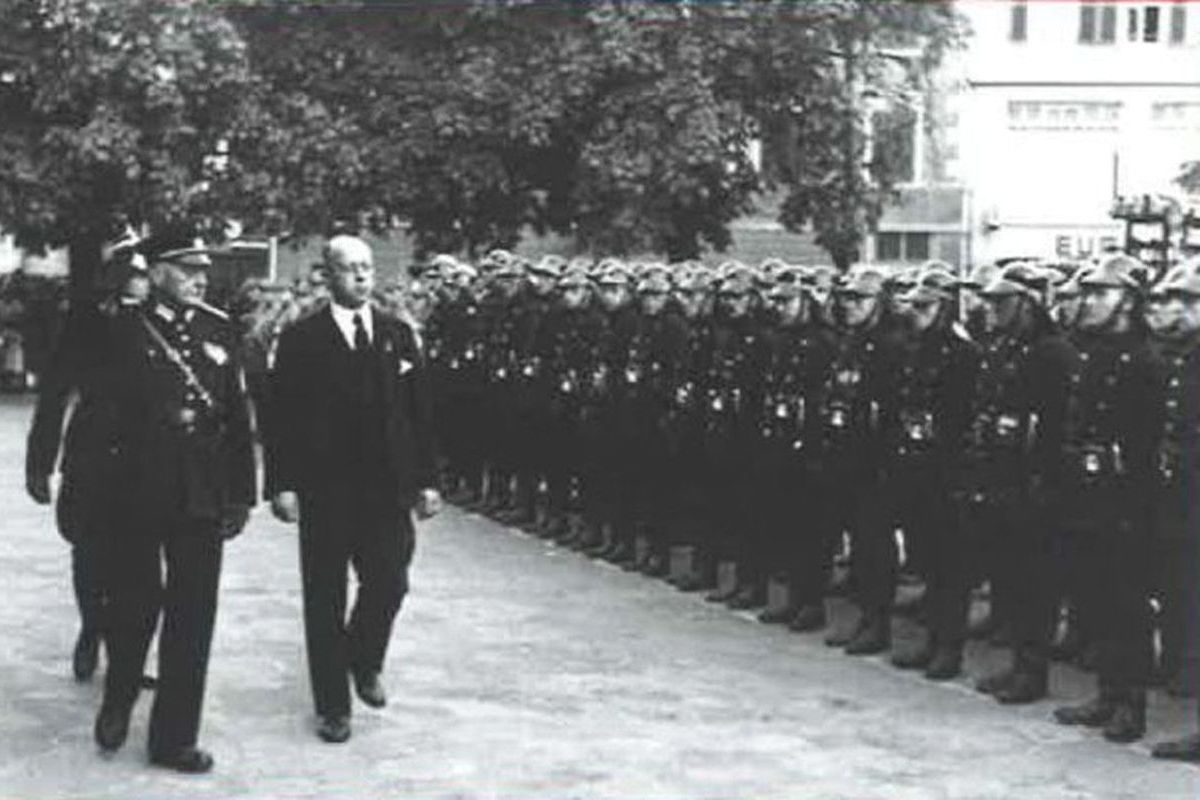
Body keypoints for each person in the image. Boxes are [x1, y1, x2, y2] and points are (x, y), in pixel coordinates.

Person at [266, 234, 442, 744]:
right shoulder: (301, 339)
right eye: (349, 268)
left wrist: (428, 479)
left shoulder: (396, 334)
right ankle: (333, 707)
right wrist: (282, 485)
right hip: (326, 489)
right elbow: (280, 419)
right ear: (328, 276)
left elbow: (420, 412)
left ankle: (364, 658)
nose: (362, 276)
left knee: (390, 581)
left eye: (367, 267)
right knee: (324, 596)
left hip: (386, 488)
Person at [93, 232, 256, 773]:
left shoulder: (218, 328)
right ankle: (119, 697)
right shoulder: (123, 329)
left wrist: (241, 494)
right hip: (136, 488)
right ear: (157, 271)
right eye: (187, 269)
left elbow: (236, 414)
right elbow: (100, 417)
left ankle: (174, 737)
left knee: (193, 614)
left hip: (201, 491)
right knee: (132, 603)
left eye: (204, 270)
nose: (200, 279)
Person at [25, 247, 146, 682]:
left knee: (140, 560)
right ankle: (92, 626)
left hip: (147, 453)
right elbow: (55, 391)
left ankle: (126, 655)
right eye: (134, 274)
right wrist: (39, 463)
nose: (141, 283)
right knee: (89, 550)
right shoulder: (86, 322)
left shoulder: (160, 321)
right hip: (91, 449)